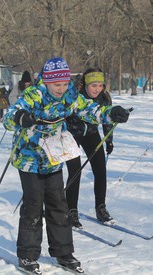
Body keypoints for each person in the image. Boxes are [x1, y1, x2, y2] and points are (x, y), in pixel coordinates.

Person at [3, 57, 130, 274]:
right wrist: (20, 118)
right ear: (47, 81)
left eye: (64, 84)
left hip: (52, 156)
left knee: (58, 205)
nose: (61, 89)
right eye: (56, 85)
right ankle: (27, 255)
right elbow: (8, 118)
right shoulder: (34, 95)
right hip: (29, 157)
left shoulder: (70, 95)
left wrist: (110, 113)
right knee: (33, 206)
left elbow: (90, 109)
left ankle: (63, 253)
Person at [65, 68, 115, 228]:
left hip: (91, 134)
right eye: (94, 85)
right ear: (85, 84)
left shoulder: (104, 98)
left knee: (100, 170)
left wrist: (109, 140)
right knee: (75, 171)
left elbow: (108, 119)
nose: (97, 89)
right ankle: (71, 210)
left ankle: (101, 207)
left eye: (100, 85)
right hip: (72, 134)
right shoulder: (75, 96)